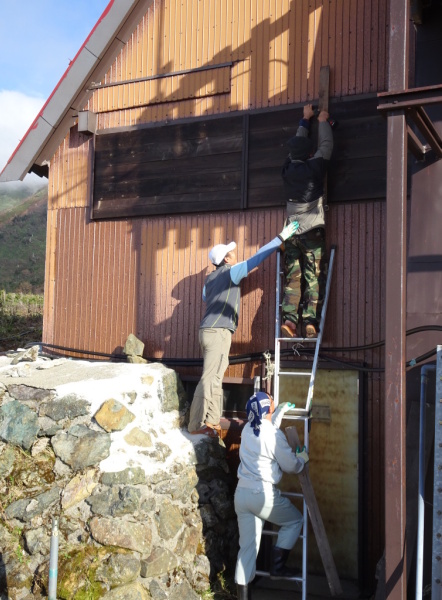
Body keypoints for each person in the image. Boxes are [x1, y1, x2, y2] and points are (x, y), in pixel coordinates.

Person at [188, 221, 299, 437]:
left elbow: (205, 297)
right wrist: (280, 238)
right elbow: (256, 258)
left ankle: (211, 422)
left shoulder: (209, 280)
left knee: (216, 377)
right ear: (226, 260)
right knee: (210, 378)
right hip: (218, 331)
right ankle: (195, 424)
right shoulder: (230, 272)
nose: (234, 254)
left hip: (208, 330)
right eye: (231, 253)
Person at [234, 391, 309, 599]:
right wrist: (301, 459)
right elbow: (290, 465)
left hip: (241, 495)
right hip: (262, 495)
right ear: (268, 407)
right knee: (295, 521)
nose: (275, 401)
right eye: (272, 401)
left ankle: (242, 596)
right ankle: (278, 566)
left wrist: (279, 414)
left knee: (247, 549)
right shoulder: (273, 435)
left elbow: (265, 430)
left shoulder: (248, 429)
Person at [280, 103, 334, 339]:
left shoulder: (287, 170)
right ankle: (310, 322)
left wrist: (305, 120)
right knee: (313, 276)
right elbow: (326, 146)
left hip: (291, 232)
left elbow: (296, 150)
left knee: (293, 277)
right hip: (311, 231)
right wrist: (322, 122)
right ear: (309, 154)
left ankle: (290, 322)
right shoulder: (315, 168)